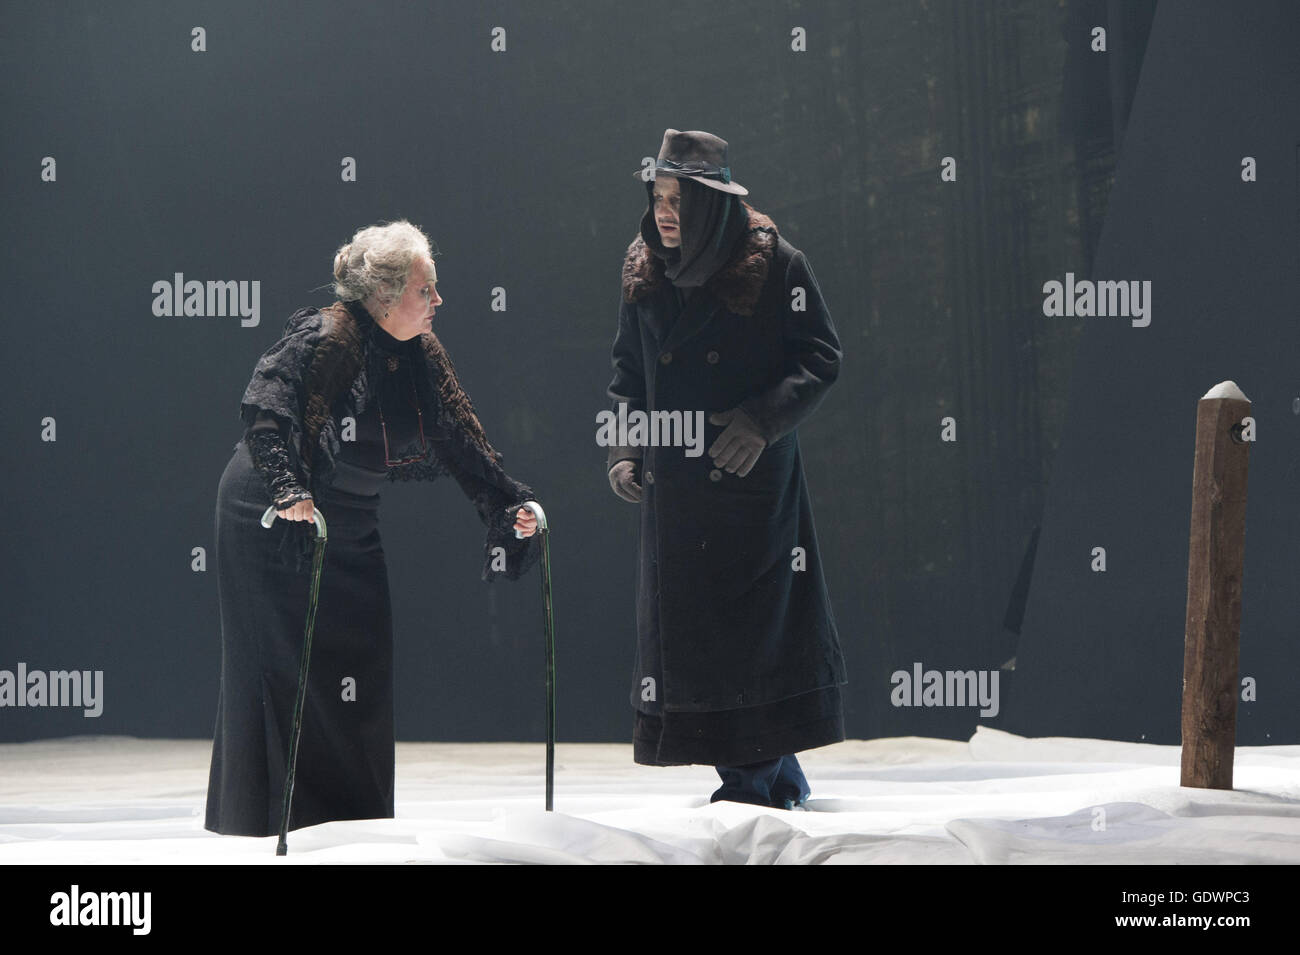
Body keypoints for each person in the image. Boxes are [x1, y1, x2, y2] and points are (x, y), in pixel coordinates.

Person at [205, 219, 540, 837]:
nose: (438, 301)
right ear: (384, 295)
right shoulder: (330, 337)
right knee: (286, 667)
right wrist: (290, 491)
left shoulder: (421, 353)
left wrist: (505, 504)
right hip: (273, 512)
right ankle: (279, 819)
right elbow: (268, 416)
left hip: (349, 519)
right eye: (425, 290)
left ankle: (351, 821)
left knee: (362, 659)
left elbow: (459, 439)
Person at [606, 129, 847, 809]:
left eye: (678, 197)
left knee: (753, 631)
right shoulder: (644, 268)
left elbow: (821, 357)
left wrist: (760, 422)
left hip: (747, 482)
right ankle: (772, 775)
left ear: (713, 201)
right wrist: (626, 446)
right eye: (657, 195)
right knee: (699, 638)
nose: (664, 211)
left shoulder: (776, 264)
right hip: (677, 493)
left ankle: (751, 781)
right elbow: (627, 372)